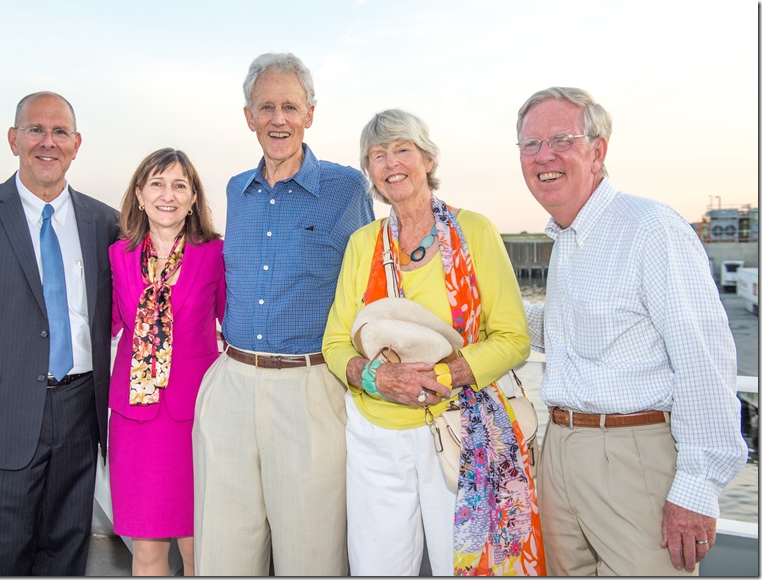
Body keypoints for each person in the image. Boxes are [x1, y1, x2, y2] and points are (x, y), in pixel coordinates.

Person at [516, 86, 748, 576]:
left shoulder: (650, 228)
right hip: (557, 450)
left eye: (562, 140)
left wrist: (696, 486)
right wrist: (474, 307)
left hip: (632, 457)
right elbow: (561, 329)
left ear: (597, 152)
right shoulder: (566, 240)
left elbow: (703, 361)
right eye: (530, 145)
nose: (544, 157)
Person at [322, 109, 544, 576]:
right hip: (375, 437)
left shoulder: (475, 232)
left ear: (427, 158)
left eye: (401, 149)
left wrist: (437, 377)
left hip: (463, 428)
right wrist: (380, 378)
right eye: (377, 155)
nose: (390, 163)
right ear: (370, 172)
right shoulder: (363, 243)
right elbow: (336, 344)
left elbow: (513, 339)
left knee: (463, 566)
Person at [0, 91, 120, 575]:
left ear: (76, 144)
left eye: (59, 132)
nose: (47, 142)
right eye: (35, 130)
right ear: (14, 139)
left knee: (66, 555)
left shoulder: (105, 222)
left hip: (79, 417)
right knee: (3, 559)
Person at [192, 52, 374, 576]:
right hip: (232, 382)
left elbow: (367, 289)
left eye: (290, 107)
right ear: (248, 116)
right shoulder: (233, 192)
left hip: (310, 388)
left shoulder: (347, 189)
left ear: (310, 114)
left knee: (311, 554)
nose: (278, 119)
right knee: (223, 553)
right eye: (266, 107)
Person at [108, 148, 224, 576]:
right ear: (139, 194)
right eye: (157, 183)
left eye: (179, 185)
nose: (167, 195)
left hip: (195, 420)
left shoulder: (215, 253)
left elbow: (237, 326)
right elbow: (104, 324)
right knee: (146, 551)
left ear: (194, 198)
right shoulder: (117, 255)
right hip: (135, 421)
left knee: (198, 547)